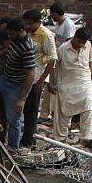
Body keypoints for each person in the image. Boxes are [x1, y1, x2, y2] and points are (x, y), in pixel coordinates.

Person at [0, 17, 37, 152]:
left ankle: (12, 150)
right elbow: (9, 49)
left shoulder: (28, 48)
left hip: (16, 86)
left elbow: (31, 75)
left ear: (21, 31)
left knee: (13, 120)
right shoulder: (15, 40)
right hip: (4, 79)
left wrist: (21, 99)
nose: (9, 37)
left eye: (12, 34)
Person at [51, 28, 92, 144]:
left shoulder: (88, 45)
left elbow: (90, 62)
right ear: (74, 37)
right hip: (67, 85)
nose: (81, 44)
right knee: (65, 112)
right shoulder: (62, 49)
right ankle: (60, 139)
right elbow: (53, 67)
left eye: (83, 42)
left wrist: (89, 74)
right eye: (79, 41)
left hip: (84, 82)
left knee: (87, 109)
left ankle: (87, 137)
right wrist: (51, 83)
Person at [23, 9, 59, 145]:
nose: (27, 26)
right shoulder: (28, 33)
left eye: (30, 24)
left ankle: (29, 140)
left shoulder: (46, 35)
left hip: (37, 77)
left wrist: (42, 81)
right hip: (26, 76)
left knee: (32, 111)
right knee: (25, 109)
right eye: (26, 24)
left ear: (38, 22)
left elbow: (52, 59)